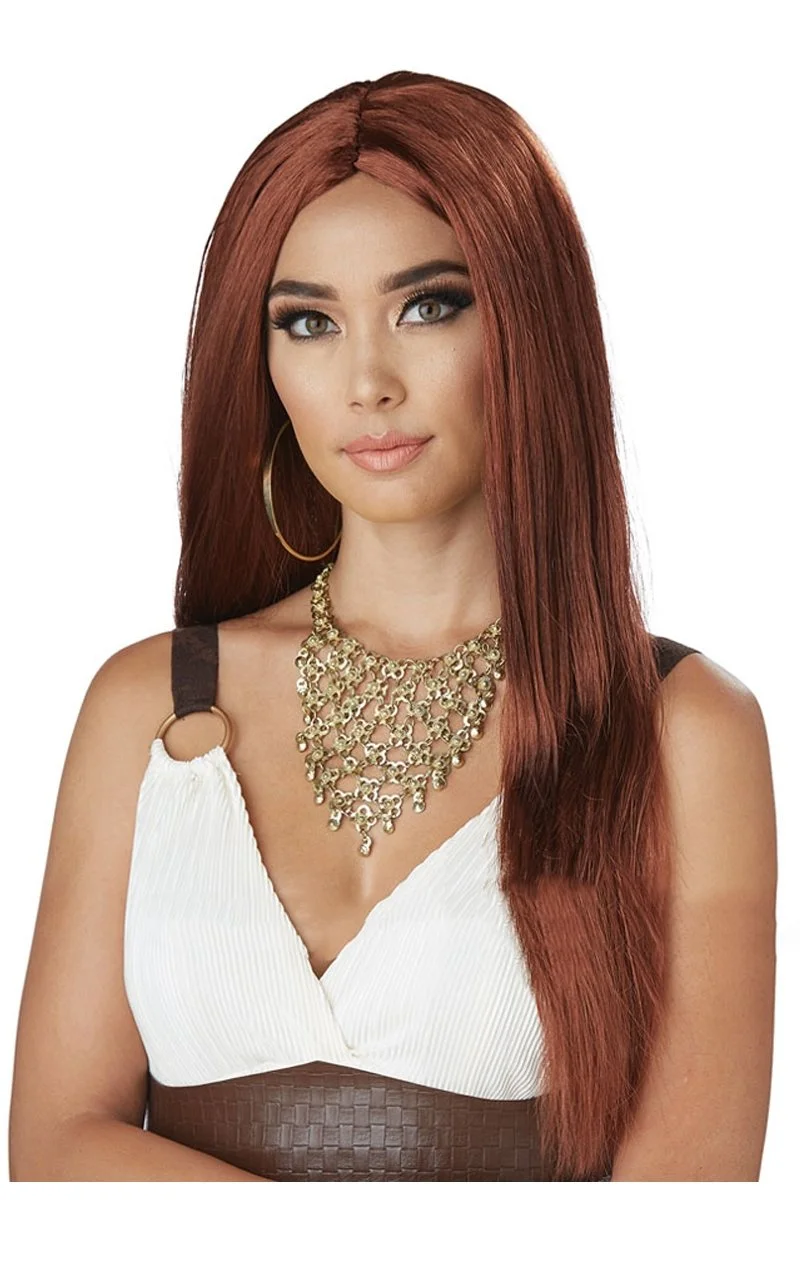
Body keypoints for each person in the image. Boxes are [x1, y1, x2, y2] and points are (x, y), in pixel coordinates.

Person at [8, 70, 776, 1182]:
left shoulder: (679, 729)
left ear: (528, 323)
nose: (366, 381)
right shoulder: (152, 706)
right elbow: (52, 1149)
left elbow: (679, 1232)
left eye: (427, 306)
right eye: (309, 322)